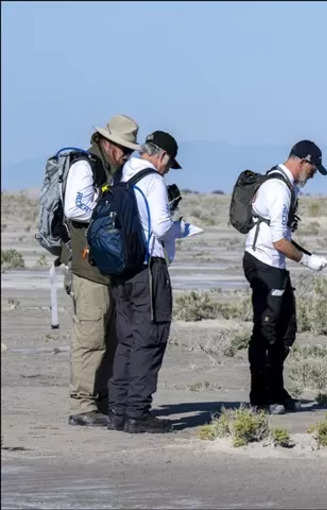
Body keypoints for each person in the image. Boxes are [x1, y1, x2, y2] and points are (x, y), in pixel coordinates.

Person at [107, 130, 189, 433]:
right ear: (162, 156)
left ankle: (118, 410)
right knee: (150, 337)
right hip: (147, 268)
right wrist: (182, 229)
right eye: (169, 162)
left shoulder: (122, 172)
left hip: (121, 268)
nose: (168, 168)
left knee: (126, 339)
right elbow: (161, 227)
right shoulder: (153, 181)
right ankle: (137, 414)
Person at [63, 114, 141, 426]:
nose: (126, 154)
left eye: (130, 150)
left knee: (113, 337)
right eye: (123, 148)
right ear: (107, 143)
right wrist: (110, 206)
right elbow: (74, 208)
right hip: (88, 270)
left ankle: (104, 400)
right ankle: (83, 405)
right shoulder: (86, 166)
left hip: (112, 269)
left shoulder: (116, 170)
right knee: (91, 338)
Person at [243, 140, 327, 414]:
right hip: (264, 263)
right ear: (303, 161)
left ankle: (276, 390)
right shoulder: (279, 188)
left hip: (273, 265)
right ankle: (261, 398)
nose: (313, 174)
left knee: (285, 330)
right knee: (266, 331)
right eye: (313, 168)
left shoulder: (283, 184)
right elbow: (279, 240)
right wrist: (308, 260)